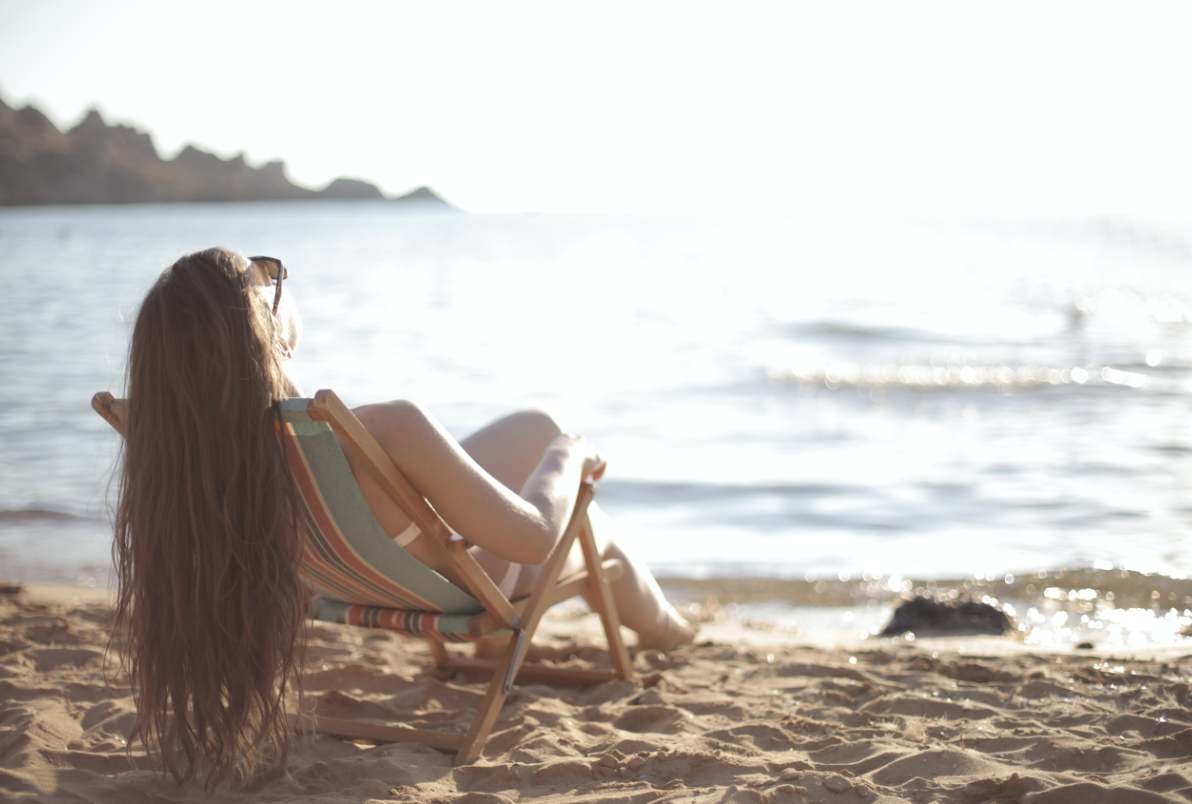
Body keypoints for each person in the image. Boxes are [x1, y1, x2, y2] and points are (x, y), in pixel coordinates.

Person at [111, 247, 695, 787]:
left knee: (531, 428)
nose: (278, 280)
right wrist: (570, 455)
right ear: (266, 331)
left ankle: (607, 631)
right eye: (268, 278)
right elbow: (536, 538)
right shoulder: (386, 428)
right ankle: (669, 630)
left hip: (368, 577)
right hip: (471, 587)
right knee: (587, 524)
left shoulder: (199, 454)